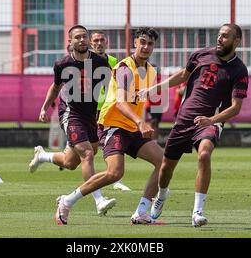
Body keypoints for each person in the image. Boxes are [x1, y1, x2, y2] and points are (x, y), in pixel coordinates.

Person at [53, 27, 164, 225]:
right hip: (113, 126)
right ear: (135, 44)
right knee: (115, 173)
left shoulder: (152, 71)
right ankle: (67, 201)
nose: (146, 47)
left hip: (132, 127)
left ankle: (141, 213)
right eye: (143, 42)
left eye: (150, 43)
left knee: (163, 162)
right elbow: (120, 103)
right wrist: (140, 122)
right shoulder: (124, 67)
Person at [143, 23, 249, 227]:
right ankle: (162, 196)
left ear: (236, 41)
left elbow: (236, 108)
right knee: (166, 168)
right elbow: (183, 75)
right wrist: (155, 88)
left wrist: (212, 120)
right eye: (219, 35)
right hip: (184, 119)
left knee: (205, 154)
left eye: (225, 36)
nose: (220, 39)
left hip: (210, 121)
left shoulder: (239, 70)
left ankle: (197, 212)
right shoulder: (200, 54)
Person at [28, 24, 116, 216]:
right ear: (70, 42)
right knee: (88, 154)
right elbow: (55, 87)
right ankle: (99, 200)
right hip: (70, 114)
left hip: (91, 115)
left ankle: (43, 156)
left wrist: (113, 107)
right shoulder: (62, 64)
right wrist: (44, 107)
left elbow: (110, 86)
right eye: (77, 37)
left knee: (71, 162)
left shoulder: (101, 61)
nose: (82, 40)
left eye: (84, 36)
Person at [90, 30, 131, 192]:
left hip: (109, 108)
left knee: (114, 141)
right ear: (91, 44)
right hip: (90, 108)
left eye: (102, 40)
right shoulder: (87, 61)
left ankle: (115, 177)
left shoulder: (114, 61)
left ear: (106, 43)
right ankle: (47, 156)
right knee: (89, 150)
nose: (99, 43)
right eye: (96, 41)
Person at [144, 66, 162, 143]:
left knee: (156, 123)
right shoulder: (147, 78)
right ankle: (149, 140)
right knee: (152, 121)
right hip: (150, 104)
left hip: (159, 104)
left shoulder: (160, 78)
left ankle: (155, 141)